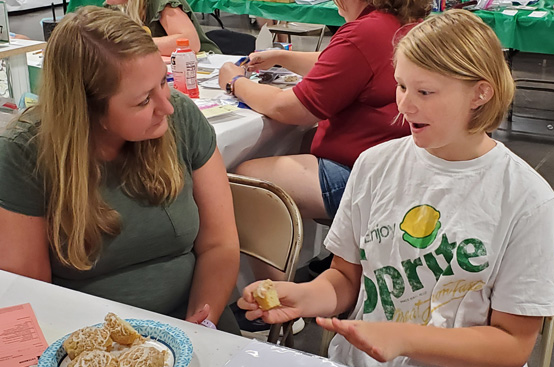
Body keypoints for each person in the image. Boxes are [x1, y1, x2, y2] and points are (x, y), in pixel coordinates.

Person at [237, 10, 554, 367]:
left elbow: (511, 345)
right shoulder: (376, 164)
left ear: (480, 93)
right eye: (401, 86)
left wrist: (403, 339)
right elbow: (345, 278)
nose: (405, 105)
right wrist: (305, 296)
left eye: (425, 93)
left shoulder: (528, 199)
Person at [0, 6, 239, 331]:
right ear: (87, 110)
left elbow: (219, 245)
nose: (166, 106)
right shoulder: (24, 152)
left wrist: (200, 327)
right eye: (143, 101)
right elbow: (33, 295)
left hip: (195, 325)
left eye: (164, 82)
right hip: (84, 341)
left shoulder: (179, 118)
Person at [217, 0, 428, 234]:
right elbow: (341, 62)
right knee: (299, 142)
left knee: (249, 181)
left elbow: (288, 108)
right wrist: (282, 57)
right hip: (397, 165)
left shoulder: (364, 32)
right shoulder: (399, 23)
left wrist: (234, 82)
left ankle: (273, 270)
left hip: (366, 174)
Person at [104, 0, 218, 55]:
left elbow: (190, 42)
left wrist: (131, 45)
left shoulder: (158, 1)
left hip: (206, 71)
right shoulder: (111, 7)